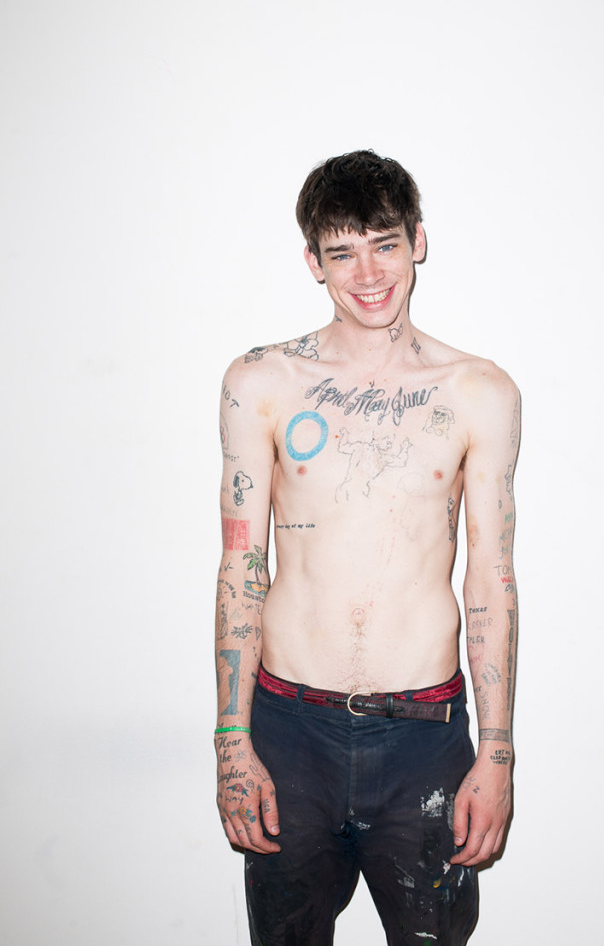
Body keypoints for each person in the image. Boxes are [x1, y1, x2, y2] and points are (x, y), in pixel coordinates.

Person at [214, 150, 520, 945]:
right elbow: (242, 567)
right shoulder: (261, 382)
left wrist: (496, 753)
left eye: (383, 244)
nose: (368, 273)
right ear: (313, 262)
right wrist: (231, 740)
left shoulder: (478, 391)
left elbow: (489, 579)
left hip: (422, 737)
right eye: (342, 252)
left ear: (417, 241)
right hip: (289, 731)